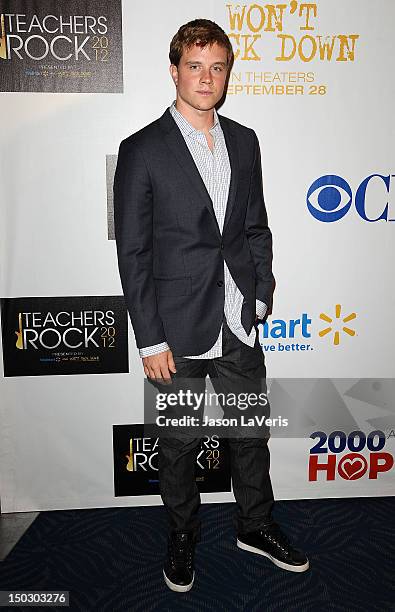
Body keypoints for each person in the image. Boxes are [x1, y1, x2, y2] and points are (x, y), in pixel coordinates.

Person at [114, 18, 309, 593]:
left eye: (216, 67)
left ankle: (255, 524)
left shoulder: (245, 141)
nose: (206, 77)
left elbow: (255, 227)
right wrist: (149, 338)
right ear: (174, 70)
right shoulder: (142, 149)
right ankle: (182, 534)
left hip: (239, 321)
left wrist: (263, 291)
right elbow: (134, 252)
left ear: (227, 74)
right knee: (178, 443)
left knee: (249, 434)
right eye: (194, 66)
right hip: (174, 328)